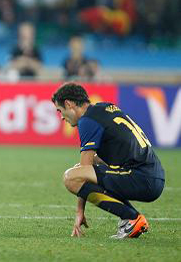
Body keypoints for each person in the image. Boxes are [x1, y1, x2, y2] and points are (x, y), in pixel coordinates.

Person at [51, 83, 165, 239]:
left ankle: (131, 218)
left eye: (60, 111)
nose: (62, 117)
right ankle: (130, 219)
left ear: (69, 104)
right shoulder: (104, 108)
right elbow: (89, 167)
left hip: (142, 177)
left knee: (70, 177)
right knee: (85, 168)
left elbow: (82, 173)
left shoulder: (87, 121)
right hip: (152, 174)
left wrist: (79, 211)